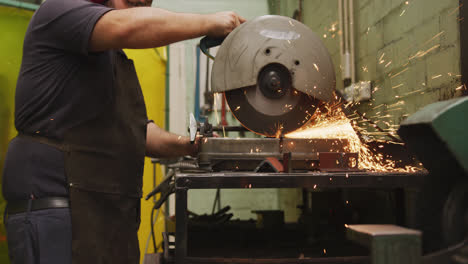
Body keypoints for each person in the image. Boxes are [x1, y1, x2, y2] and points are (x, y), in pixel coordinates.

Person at [1, 0, 245, 262]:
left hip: (102, 210)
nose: (141, 5)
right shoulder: (60, 9)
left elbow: (137, 131)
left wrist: (189, 145)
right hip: (57, 206)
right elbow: (126, 27)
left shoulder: (108, 58)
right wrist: (210, 21)